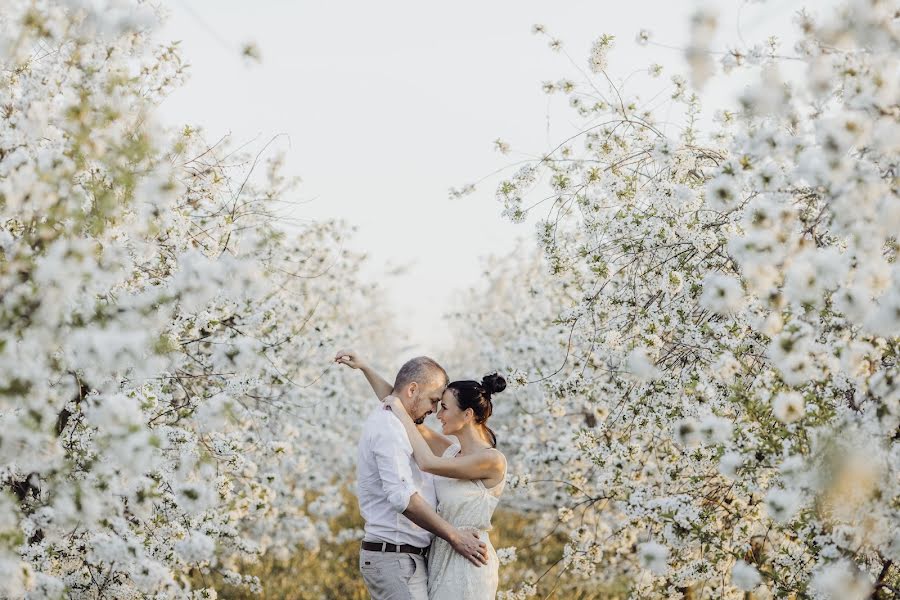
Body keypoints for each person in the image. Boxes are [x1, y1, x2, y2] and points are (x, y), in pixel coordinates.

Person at [336, 350, 507, 600]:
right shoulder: (451, 454)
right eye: (436, 404)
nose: (437, 414)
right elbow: (404, 401)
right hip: (440, 556)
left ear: (467, 414)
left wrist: (399, 407)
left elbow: (422, 452)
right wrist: (366, 368)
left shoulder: (491, 460)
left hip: (469, 556)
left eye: (444, 407)